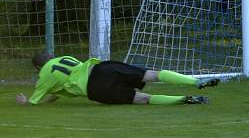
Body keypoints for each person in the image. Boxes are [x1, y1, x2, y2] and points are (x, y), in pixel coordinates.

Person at [15, 52, 219, 106]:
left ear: (38, 67)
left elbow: (33, 101)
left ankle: (186, 100)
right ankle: (195, 81)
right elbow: (59, 90)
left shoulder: (44, 76)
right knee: (152, 74)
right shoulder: (65, 58)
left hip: (96, 88)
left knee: (143, 98)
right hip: (103, 68)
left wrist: (25, 102)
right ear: (52, 57)